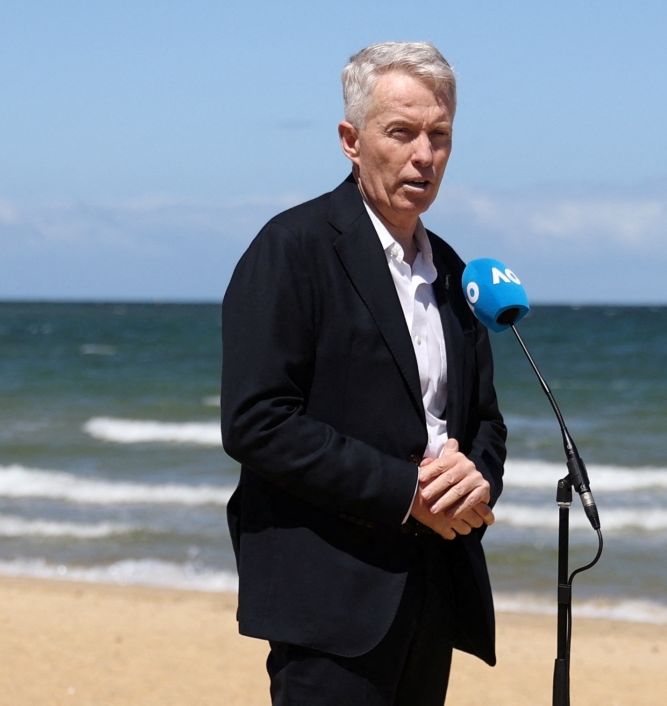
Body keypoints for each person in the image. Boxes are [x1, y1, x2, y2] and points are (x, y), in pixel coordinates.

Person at [220, 41, 507, 705]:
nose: (424, 156)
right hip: (330, 598)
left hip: (433, 589)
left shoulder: (456, 273)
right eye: (402, 133)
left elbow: (482, 421)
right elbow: (256, 421)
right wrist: (407, 492)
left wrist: (475, 483)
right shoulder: (292, 249)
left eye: (439, 135)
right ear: (351, 139)